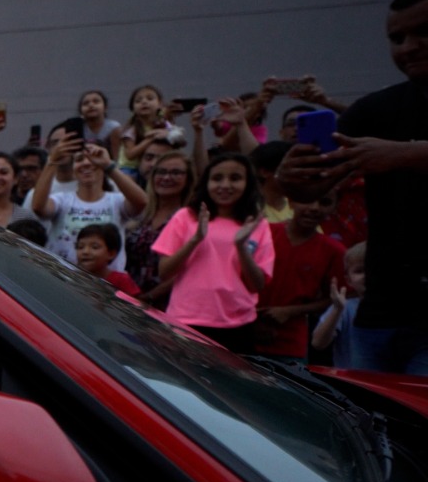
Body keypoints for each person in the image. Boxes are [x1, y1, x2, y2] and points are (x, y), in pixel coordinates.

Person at [279, 0, 428, 374]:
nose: (409, 47)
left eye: (423, 32)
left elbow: (397, 156)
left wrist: (406, 154)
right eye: (397, 38)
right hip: (382, 312)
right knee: (376, 427)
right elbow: (311, 184)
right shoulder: (379, 109)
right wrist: (292, 175)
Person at [151, 153, 274, 353]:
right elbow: (164, 272)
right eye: (217, 178)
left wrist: (241, 246)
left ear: (248, 183)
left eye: (235, 178)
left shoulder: (256, 224)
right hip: (186, 320)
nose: (225, 185)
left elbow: (256, 285)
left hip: (238, 324)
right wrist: (196, 239)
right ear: (206, 182)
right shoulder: (187, 216)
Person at [252, 190, 345, 361]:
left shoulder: (334, 251)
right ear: (291, 201)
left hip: (290, 343)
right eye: (307, 200)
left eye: (325, 202)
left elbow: (334, 297)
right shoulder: (264, 233)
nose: (315, 208)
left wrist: (291, 311)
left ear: (334, 208)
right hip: (243, 331)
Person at [29, 142, 146, 270]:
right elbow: (38, 207)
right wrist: (52, 161)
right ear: (73, 169)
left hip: (106, 285)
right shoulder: (62, 200)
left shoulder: (116, 201)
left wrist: (109, 166)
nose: (86, 163)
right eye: (79, 159)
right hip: (63, 280)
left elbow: (142, 202)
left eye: (93, 158)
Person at [124, 150, 193, 307]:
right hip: (129, 298)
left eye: (176, 173)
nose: (167, 178)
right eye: (161, 172)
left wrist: (150, 297)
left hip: (165, 304)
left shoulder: (190, 218)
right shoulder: (142, 214)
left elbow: (188, 268)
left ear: (188, 179)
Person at [312, 242, 366, 369]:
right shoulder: (345, 307)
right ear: (348, 280)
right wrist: (337, 309)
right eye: (359, 271)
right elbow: (318, 343)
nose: (366, 276)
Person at [75, 223, 141, 296]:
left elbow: (135, 304)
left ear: (111, 254)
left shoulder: (121, 281)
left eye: (94, 247)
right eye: (80, 247)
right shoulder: (74, 276)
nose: (85, 252)